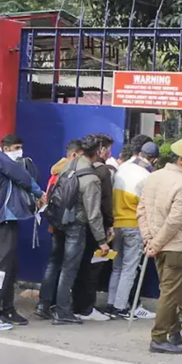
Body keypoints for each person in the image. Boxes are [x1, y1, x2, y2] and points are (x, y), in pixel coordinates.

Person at [0, 134, 45, 331]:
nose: (18, 151)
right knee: (1, 268)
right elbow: (23, 177)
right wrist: (40, 193)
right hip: (5, 219)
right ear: (4, 148)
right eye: (15, 147)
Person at [139, 137, 182, 355]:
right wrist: (154, 243)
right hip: (175, 246)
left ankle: (174, 330)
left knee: (168, 290)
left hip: (158, 243)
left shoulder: (154, 176)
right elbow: (175, 221)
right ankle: (158, 337)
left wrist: (149, 240)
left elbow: (142, 209)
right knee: (170, 292)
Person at [38, 139, 108, 324]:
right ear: (97, 152)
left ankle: (44, 305)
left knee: (54, 264)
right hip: (76, 225)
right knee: (69, 269)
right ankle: (62, 312)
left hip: (59, 222)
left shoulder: (65, 167)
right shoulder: (91, 178)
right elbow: (93, 214)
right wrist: (102, 240)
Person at [107, 140, 159, 320]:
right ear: (153, 159)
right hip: (133, 225)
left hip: (116, 224)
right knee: (130, 268)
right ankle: (121, 307)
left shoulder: (124, 168)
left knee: (117, 267)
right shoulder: (146, 176)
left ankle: (111, 303)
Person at [71, 133, 115, 321]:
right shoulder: (102, 172)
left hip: (76, 222)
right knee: (92, 269)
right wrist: (108, 227)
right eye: (108, 148)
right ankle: (86, 308)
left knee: (79, 267)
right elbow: (103, 204)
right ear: (101, 150)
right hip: (95, 226)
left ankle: (76, 305)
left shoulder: (73, 166)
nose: (110, 152)